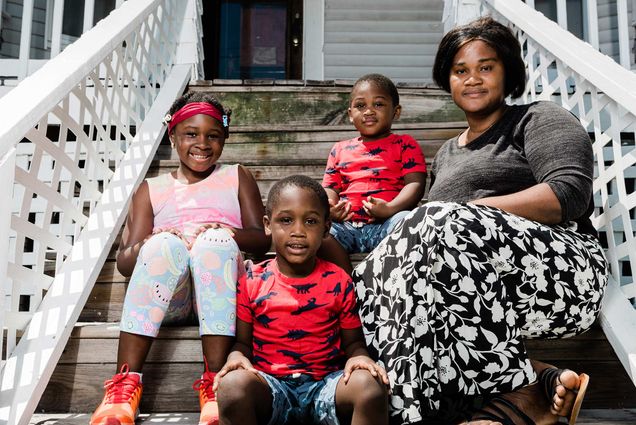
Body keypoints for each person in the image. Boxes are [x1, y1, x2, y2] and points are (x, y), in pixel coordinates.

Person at [351, 17, 608, 425]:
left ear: (508, 73)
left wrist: (469, 213)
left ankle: (522, 388)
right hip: (475, 295)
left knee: (433, 220)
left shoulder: (538, 119)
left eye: (486, 67)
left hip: (564, 276)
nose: (472, 79)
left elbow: (569, 193)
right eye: (460, 70)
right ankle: (437, 411)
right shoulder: (446, 155)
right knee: (368, 276)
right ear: (447, 79)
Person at [90, 92, 271, 425]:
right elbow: (126, 262)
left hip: (220, 296)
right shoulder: (151, 189)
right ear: (172, 136)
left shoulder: (235, 176)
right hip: (169, 298)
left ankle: (216, 384)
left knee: (214, 243)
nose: (202, 143)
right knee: (163, 248)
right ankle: (124, 387)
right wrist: (156, 239)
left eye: (213, 135)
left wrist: (228, 232)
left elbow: (262, 240)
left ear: (224, 138)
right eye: (191, 134)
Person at [213, 175, 390, 425]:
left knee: (369, 385)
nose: (298, 231)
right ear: (267, 224)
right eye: (286, 220)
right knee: (232, 386)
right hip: (272, 387)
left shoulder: (338, 281)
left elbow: (353, 344)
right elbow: (242, 343)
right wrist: (236, 357)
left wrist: (359, 357)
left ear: (326, 228)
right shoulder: (252, 280)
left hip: (326, 385)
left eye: (310, 221)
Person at [320, 74, 427, 273]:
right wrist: (331, 208)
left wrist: (390, 208)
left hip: (388, 224)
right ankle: (348, 285)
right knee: (320, 232)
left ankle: (389, 283)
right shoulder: (340, 149)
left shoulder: (405, 144)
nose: (369, 111)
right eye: (361, 106)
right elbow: (330, 188)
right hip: (346, 226)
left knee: (408, 222)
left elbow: (415, 184)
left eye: (378, 104)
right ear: (350, 114)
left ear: (396, 112)